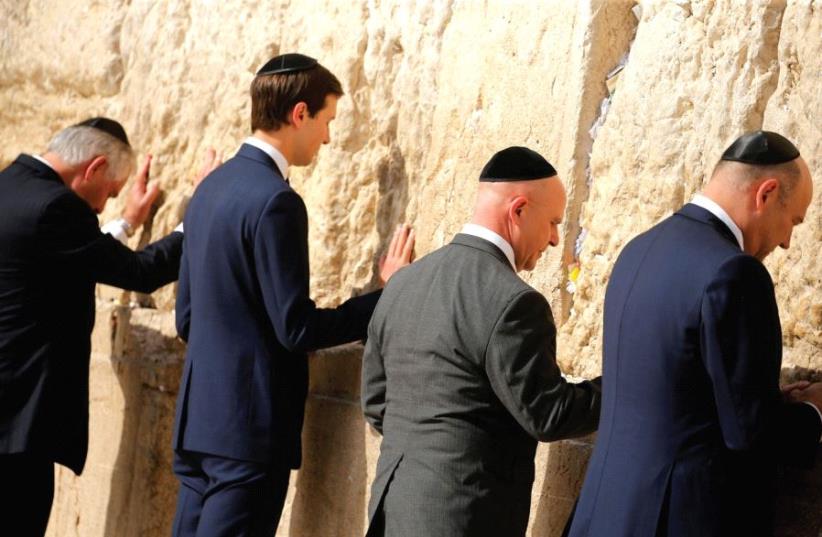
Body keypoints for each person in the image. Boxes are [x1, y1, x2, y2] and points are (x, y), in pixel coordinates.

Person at [170, 53, 415, 537]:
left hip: (198, 423)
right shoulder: (277, 201)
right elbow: (296, 327)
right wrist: (384, 297)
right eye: (326, 121)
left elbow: (186, 318)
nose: (326, 137)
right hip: (249, 433)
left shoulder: (209, 189)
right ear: (299, 114)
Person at [567, 131, 822, 537]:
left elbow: (675, 392)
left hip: (604, 514)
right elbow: (748, 436)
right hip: (672, 520)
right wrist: (813, 412)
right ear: (767, 194)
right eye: (792, 220)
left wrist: (770, 400)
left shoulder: (638, 249)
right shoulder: (735, 273)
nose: (788, 241)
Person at [361, 146, 602, 537]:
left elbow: (375, 404)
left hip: (393, 512)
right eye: (554, 222)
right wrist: (625, 387)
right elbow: (547, 413)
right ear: (519, 209)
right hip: (462, 518)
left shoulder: (402, 282)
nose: (556, 239)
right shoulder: (514, 302)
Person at [0, 117, 211, 537]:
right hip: (16, 427)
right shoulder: (55, 208)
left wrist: (127, 223)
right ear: (94, 168)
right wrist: (199, 212)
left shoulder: (11, 185)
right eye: (109, 193)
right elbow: (139, 271)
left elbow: (62, 257)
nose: (102, 207)